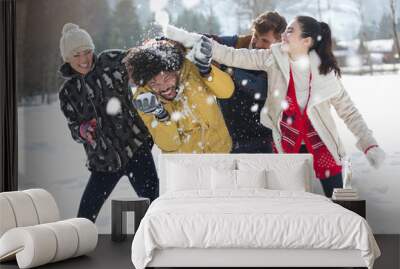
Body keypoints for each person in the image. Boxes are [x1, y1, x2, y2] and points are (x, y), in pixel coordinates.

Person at [164, 16, 386, 197]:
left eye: (290, 31)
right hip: (286, 144)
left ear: (306, 41)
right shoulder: (273, 58)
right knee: (292, 201)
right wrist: (189, 39)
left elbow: (349, 112)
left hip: (322, 146)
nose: (283, 35)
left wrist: (369, 145)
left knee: (338, 201)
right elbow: (232, 55)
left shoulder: (325, 75)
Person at [58, 23, 158, 222]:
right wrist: (82, 130)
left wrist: (152, 47)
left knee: (154, 208)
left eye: (87, 52)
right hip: (103, 161)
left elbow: (139, 60)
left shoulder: (111, 61)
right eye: (76, 55)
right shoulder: (68, 92)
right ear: (67, 59)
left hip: (135, 149)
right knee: (84, 217)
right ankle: (78, 246)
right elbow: (74, 128)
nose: (84, 60)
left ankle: (156, 247)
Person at [123, 39, 234, 153]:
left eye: (166, 78)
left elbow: (227, 92)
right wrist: (161, 116)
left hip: (221, 152)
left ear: (176, 70)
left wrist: (207, 72)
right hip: (182, 164)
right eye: (153, 83)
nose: (163, 87)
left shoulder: (193, 68)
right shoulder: (145, 99)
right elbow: (169, 145)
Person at [209, 11, 287, 153]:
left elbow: (261, 89)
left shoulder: (281, 63)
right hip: (228, 136)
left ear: (279, 43)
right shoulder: (238, 44)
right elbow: (211, 41)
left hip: (262, 138)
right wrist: (176, 40)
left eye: (265, 41)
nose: (256, 43)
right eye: (255, 36)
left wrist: (227, 69)